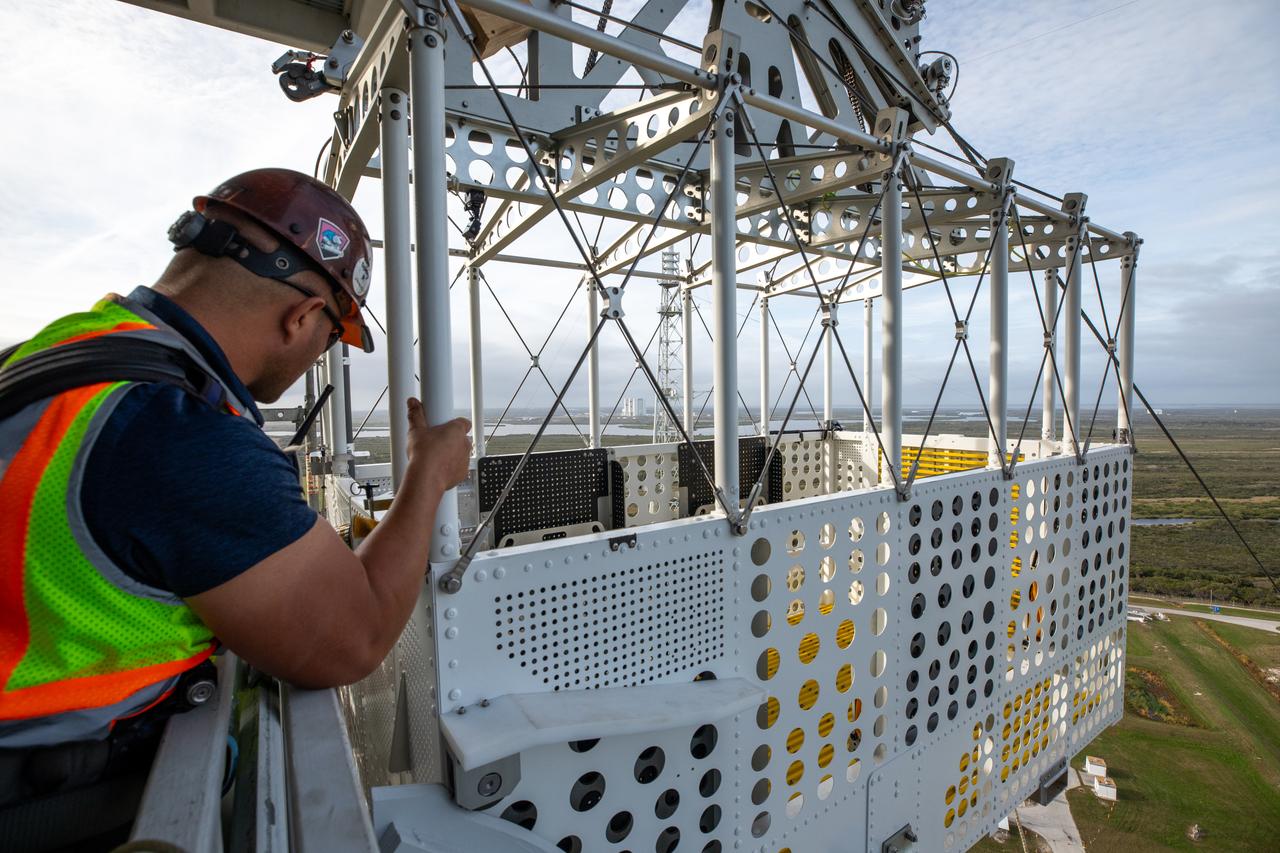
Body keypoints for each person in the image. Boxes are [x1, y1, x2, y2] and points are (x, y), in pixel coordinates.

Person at [0, 168, 471, 810]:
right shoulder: (179, 433)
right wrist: (427, 475)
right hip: (51, 795)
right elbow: (351, 638)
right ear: (303, 315)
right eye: (332, 337)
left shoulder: (48, 355)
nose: (318, 353)